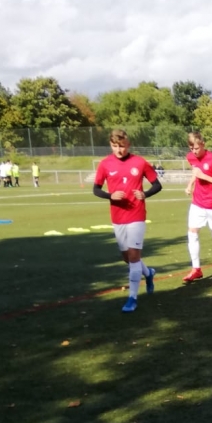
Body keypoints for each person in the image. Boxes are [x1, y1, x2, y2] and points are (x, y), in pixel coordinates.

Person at [93, 128, 162, 312]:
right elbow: (96, 189)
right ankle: (148, 273)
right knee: (127, 258)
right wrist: (110, 195)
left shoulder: (139, 162)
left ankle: (132, 298)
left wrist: (145, 194)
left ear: (128, 144)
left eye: (122, 146)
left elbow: (157, 185)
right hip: (118, 217)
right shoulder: (105, 164)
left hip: (137, 215)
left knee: (133, 256)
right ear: (111, 145)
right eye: (115, 146)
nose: (119, 150)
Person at [182, 132, 212, 283]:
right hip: (197, 202)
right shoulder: (190, 157)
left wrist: (204, 176)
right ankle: (196, 268)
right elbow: (195, 172)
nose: (194, 151)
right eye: (191, 148)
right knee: (192, 233)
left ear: (203, 144)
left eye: (196, 148)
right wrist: (190, 184)